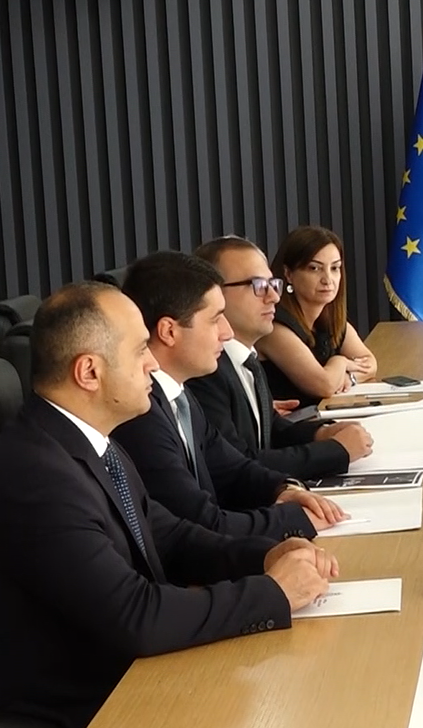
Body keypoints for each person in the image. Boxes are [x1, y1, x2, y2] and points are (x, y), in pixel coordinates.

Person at [0, 282, 338, 728]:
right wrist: (272, 593)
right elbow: (136, 616)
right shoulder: (35, 475)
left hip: (108, 683)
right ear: (89, 372)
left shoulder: (87, 442)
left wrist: (264, 554)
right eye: (138, 350)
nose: (153, 361)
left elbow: (169, 534)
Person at [113, 252, 345, 540]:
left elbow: (232, 469)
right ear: (169, 331)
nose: (226, 332)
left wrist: (284, 489)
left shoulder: (179, 394)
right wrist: (292, 520)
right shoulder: (142, 417)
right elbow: (201, 523)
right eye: (215, 320)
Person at [190, 236, 373, 479]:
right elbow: (239, 464)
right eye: (258, 285)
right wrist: (336, 451)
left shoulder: (246, 358)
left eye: (272, 284)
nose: (274, 297)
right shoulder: (205, 371)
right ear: (213, 294)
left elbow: (271, 428)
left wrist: (321, 433)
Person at [256, 225, 378, 404]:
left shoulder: (330, 320)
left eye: (335, 268)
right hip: (291, 420)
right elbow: (324, 385)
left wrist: (348, 378)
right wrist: (340, 362)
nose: (327, 279)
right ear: (288, 274)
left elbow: (370, 363)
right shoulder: (274, 326)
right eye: (314, 268)